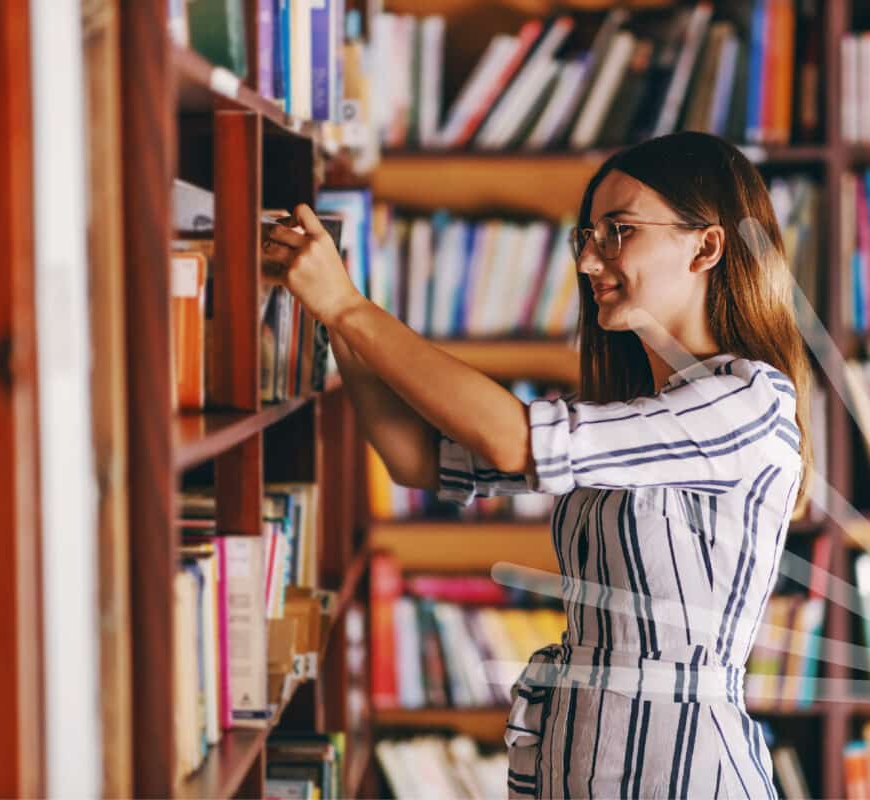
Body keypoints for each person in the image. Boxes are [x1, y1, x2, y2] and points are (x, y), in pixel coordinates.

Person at [267, 131, 815, 799]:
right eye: (585, 236)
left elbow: (514, 442)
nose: (589, 261)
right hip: (579, 758)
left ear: (706, 246)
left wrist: (349, 306)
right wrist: (336, 317)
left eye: (619, 231)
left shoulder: (746, 400)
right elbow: (417, 459)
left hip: (681, 771)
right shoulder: (636, 415)